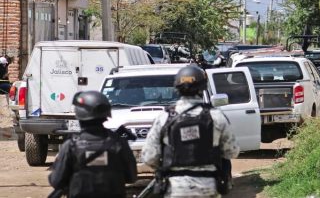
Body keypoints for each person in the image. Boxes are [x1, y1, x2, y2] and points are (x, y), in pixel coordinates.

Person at [141, 65, 240, 198]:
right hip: (208, 188)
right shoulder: (216, 116)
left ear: (177, 88)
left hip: (175, 189)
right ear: (203, 87)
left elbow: (149, 157)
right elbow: (232, 151)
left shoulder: (164, 118)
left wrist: (167, 165)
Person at [48, 91, 137, 198]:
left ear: (79, 114)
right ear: (105, 114)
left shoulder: (71, 146)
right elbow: (131, 177)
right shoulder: (119, 143)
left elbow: (57, 181)